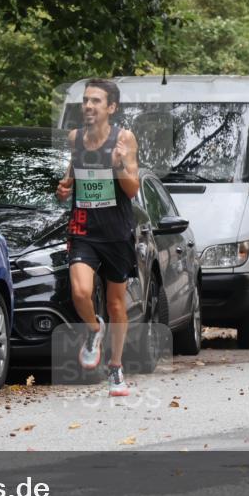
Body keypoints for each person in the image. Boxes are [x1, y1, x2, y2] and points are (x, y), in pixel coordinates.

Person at [56, 79, 139, 397]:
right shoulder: (75, 138)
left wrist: (117, 165)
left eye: (96, 101)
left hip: (116, 232)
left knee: (116, 304)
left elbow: (132, 189)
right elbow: (72, 175)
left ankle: (115, 368)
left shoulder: (124, 139)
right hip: (83, 229)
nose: (88, 106)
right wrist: (65, 187)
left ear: (111, 107)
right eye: (86, 100)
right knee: (80, 291)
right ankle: (94, 330)